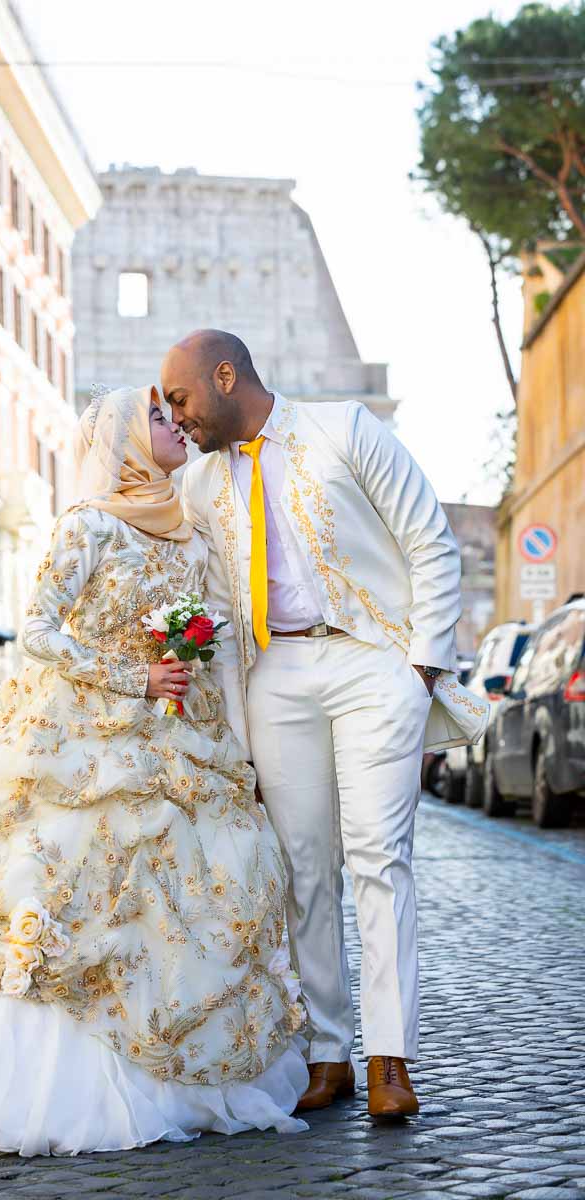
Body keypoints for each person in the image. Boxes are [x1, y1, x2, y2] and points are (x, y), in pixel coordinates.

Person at [0, 385, 309, 1159]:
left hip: (180, 747)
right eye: (153, 416)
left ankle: (173, 1068)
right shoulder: (89, 525)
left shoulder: (194, 531)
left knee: (180, 900)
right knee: (58, 890)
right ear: (120, 439)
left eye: (172, 415)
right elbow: (39, 632)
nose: (172, 425)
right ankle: (27, 1087)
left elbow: (215, 641)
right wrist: (135, 677)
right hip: (81, 745)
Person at [162, 331, 488, 1119]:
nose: (177, 420)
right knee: (304, 869)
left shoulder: (345, 428)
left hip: (374, 662)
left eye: (181, 399)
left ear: (226, 375)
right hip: (275, 677)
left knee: (380, 856)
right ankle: (329, 1054)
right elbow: (206, 601)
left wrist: (421, 672)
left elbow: (431, 545)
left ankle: (391, 1059)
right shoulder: (201, 485)